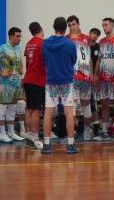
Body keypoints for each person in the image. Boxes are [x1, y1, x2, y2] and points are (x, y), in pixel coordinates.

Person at [41, 17, 78, 154]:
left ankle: (46, 144)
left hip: (51, 81)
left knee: (48, 113)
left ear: (53, 27)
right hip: (66, 81)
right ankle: (70, 144)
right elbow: (73, 60)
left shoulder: (44, 44)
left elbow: (44, 59)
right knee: (69, 113)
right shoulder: (69, 44)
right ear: (65, 29)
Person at [94, 18, 114, 142]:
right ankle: (104, 131)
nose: (104, 27)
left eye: (106, 25)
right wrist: (95, 75)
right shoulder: (101, 42)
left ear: (112, 25)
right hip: (102, 79)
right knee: (104, 105)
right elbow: (99, 60)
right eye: (102, 25)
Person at [66, 15, 94, 141]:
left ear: (78, 24)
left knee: (86, 106)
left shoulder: (86, 39)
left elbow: (89, 59)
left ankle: (88, 131)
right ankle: (73, 131)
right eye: (70, 25)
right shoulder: (66, 39)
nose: (72, 27)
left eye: (73, 24)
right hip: (71, 76)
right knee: (71, 106)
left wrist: (92, 74)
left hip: (85, 77)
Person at [0, 27, 25, 143]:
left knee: (13, 108)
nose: (19, 38)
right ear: (11, 36)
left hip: (16, 83)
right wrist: (0, 72)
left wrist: (21, 68)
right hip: (5, 84)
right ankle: (2, 134)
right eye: (17, 36)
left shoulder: (18, 48)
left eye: (20, 36)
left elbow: (19, 61)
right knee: (3, 108)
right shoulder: (2, 48)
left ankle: (11, 132)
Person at [23, 22, 46, 149]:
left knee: (29, 109)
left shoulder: (28, 43)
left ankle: (28, 135)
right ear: (41, 29)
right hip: (37, 80)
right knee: (36, 110)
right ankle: (35, 137)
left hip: (28, 79)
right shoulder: (42, 43)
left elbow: (27, 64)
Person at [88, 28, 101, 137]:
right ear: (89, 34)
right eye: (94, 33)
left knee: (93, 102)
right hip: (83, 77)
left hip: (94, 78)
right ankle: (84, 126)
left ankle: (96, 126)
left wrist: (95, 75)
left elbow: (98, 62)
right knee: (83, 103)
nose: (95, 36)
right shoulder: (84, 45)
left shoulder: (98, 47)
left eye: (97, 35)